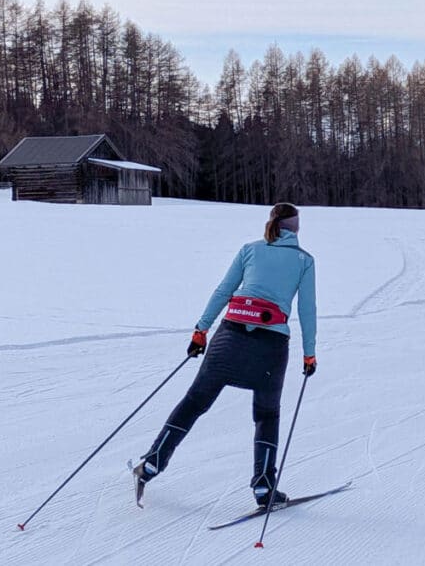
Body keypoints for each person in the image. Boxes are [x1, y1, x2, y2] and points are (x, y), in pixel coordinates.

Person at [133, 203, 317, 508]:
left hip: (228, 338)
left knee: (193, 404)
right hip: (270, 349)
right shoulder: (304, 261)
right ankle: (263, 487)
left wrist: (200, 330)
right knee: (267, 416)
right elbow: (307, 310)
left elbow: (223, 292)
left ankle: (152, 463)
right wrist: (309, 354)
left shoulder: (250, 250)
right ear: (296, 227)